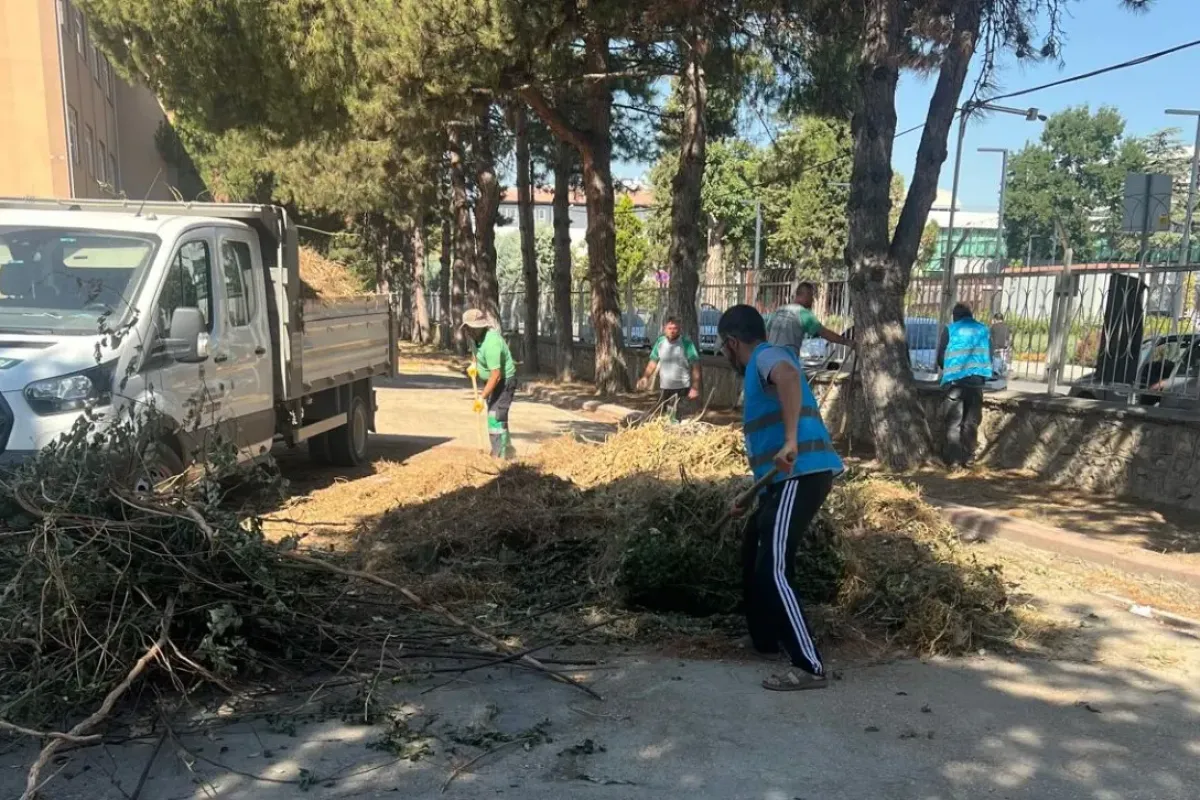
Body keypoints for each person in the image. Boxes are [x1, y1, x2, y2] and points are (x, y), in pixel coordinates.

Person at [718, 304, 844, 692]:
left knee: (774, 566)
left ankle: (808, 665)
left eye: (724, 348)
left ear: (732, 342)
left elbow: (789, 377)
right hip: (782, 480)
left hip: (801, 472)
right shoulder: (758, 366)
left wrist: (791, 442)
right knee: (755, 541)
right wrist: (751, 496)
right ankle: (765, 640)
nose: (724, 354)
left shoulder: (766, 356)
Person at [936, 303, 992, 467]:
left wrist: (947, 369)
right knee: (971, 422)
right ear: (970, 315)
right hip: (976, 383)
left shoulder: (950, 329)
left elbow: (940, 356)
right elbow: (989, 354)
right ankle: (968, 458)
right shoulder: (983, 330)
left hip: (955, 382)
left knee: (954, 422)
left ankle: (954, 461)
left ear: (955, 316)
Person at [462, 309, 517, 459]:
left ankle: (500, 455)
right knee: (496, 414)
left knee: (496, 415)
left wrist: (482, 396)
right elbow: (476, 352)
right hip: (491, 381)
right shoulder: (474, 338)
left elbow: (496, 375)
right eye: (467, 327)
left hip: (504, 381)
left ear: (481, 327)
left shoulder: (492, 342)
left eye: (472, 328)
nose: (469, 331)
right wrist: (474, 364)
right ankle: (507, 449)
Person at [637, 317, 702, 420]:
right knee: (667, 419)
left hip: (682, 388)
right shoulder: (660, 342)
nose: (672, 331)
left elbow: (696, 365)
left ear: (679, 329)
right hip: (665, 389)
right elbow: (653, 361)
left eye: (675, 328)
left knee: (681, 419)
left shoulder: (686, 343)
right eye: (669, 328)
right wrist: (645, 377)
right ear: (664, 329)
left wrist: (695, 387)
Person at [767, 282, 852, 356]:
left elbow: (767, 334)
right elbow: (825, 333)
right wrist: (848, 342)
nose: (812, 300)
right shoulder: (803, 313)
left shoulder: (779, 310)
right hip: (786, 361)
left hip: (769, 359)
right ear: (805, 294)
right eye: (811, 296)